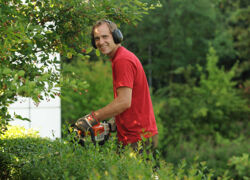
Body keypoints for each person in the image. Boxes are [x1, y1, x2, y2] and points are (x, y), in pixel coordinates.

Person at [75, 19, 158, 155]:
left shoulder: (122, 60)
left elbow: (124, 102)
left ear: (116, 36)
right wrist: (114, 123)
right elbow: (131, 100)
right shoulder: (120, 58)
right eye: (97, 38)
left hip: (137, 139)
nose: (101, 42)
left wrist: (91, 119)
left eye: (105, 36)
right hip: (135, 136)